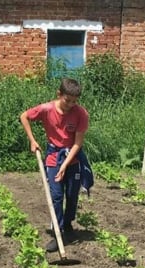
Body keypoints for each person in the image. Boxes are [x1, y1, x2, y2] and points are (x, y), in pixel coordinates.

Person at [20, 78, 93, 252]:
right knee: (56, 195)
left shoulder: (81, 114)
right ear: (59, 94)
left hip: (73, 157)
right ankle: (57, 232)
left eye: (74, 101)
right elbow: (24, 116)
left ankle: (67, 224)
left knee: (72, 194)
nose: (70, 105)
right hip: (53, 155)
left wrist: (65, 165)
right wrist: (32, 141)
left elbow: (77, 144)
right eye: (67, 100)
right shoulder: (46, 109)